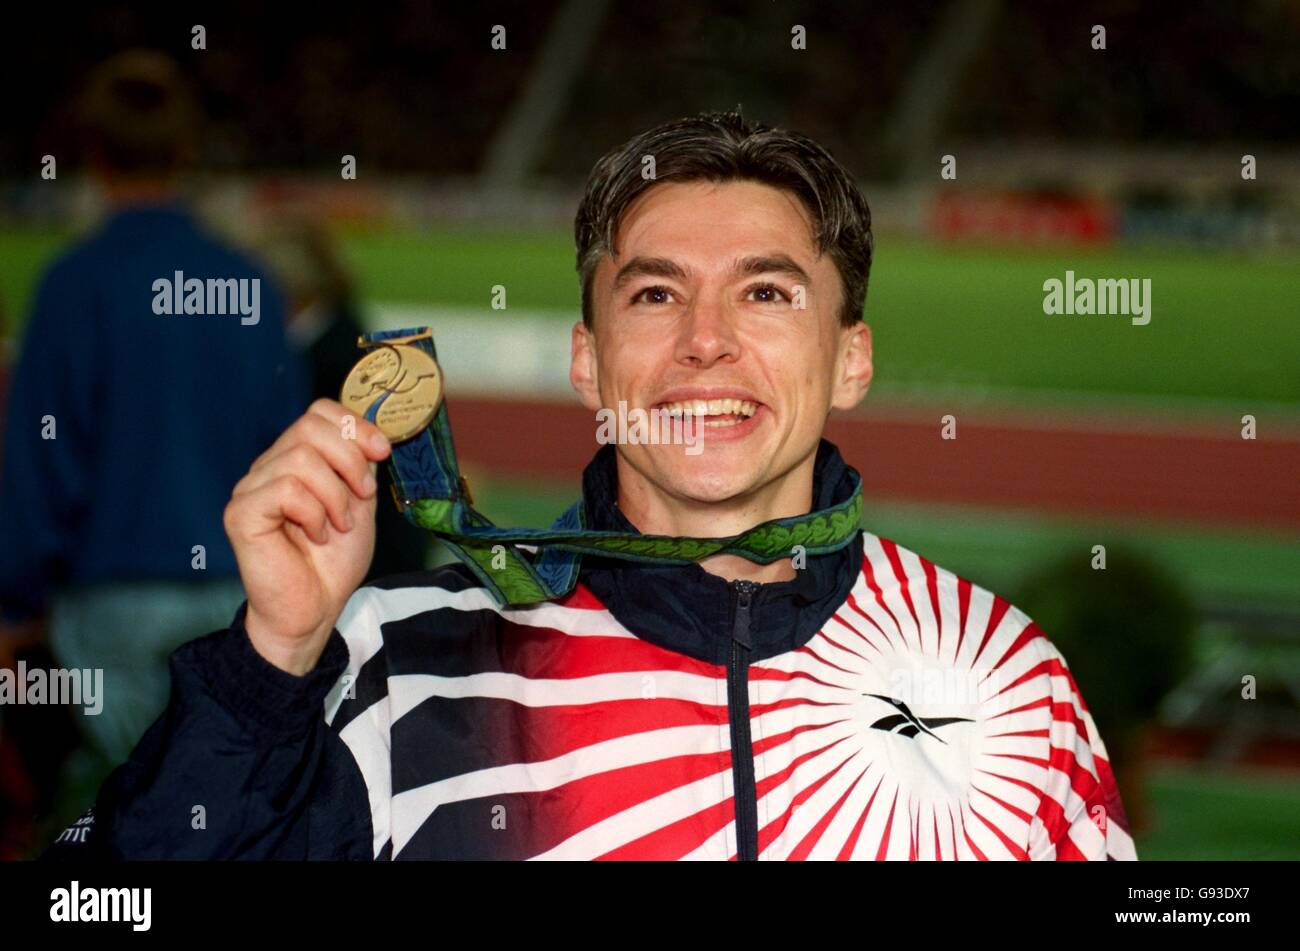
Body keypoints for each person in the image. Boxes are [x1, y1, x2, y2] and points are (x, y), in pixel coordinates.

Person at [46, 112, 1136, 860]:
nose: (705, 342)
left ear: (850, 358)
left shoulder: (1008, 680)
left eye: (765, 293)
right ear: (587, 359)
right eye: (655, 296)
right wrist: (269, 664)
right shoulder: (385, 661)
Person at [0, 50, 308, 806]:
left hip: (112, 596)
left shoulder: (74, 282)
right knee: (225, 812)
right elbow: (290, 444)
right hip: (244, 591)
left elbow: (41, 457)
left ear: (94, 152)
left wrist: (14, 603)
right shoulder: (248, 282)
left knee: (133, 810)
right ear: (185, 151)